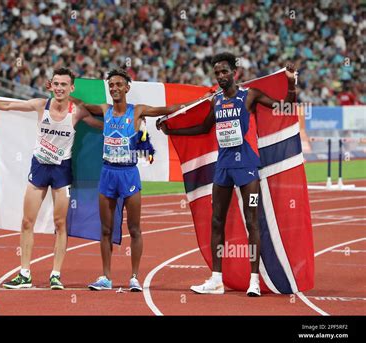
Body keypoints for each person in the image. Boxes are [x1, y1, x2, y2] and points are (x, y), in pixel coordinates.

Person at [157, 53, 297, 297]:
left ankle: (254, 280)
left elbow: (285, 106)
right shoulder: (216, 100)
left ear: (235, 72)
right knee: (216, 221)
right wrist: (172, 131)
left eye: (224, 71)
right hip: (223, 168)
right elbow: (203, 128)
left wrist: (292, 83)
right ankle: (216, 280)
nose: (221, 76)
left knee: (252, 221)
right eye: (217, 73)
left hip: (247, 168)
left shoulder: (249, 95)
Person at [0, 67, 103, 290]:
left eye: (63, 85)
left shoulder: (77, 111)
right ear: (51, 85)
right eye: (56, 84)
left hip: (62, 172)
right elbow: (9, 105)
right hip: (39, 168)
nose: (59, 88)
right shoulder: (41, 105)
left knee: (60, 224)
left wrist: (128, 124)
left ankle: (56, 275)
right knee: (27, 222)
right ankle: (24, 274)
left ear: (71, 88)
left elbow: (101, 125)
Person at [71, 68, 207, 291]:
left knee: (134, 228)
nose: (114, 88)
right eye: (111, 85)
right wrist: (63, 92)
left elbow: (167, 109)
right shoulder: (104, 109)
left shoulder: (137, 111)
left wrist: (196, 102)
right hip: (107, 173)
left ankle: (134, 277)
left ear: (127, 88)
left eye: (118, 85)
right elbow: (81, 106)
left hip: (129, 174)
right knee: (105, 229)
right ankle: (106, 277)